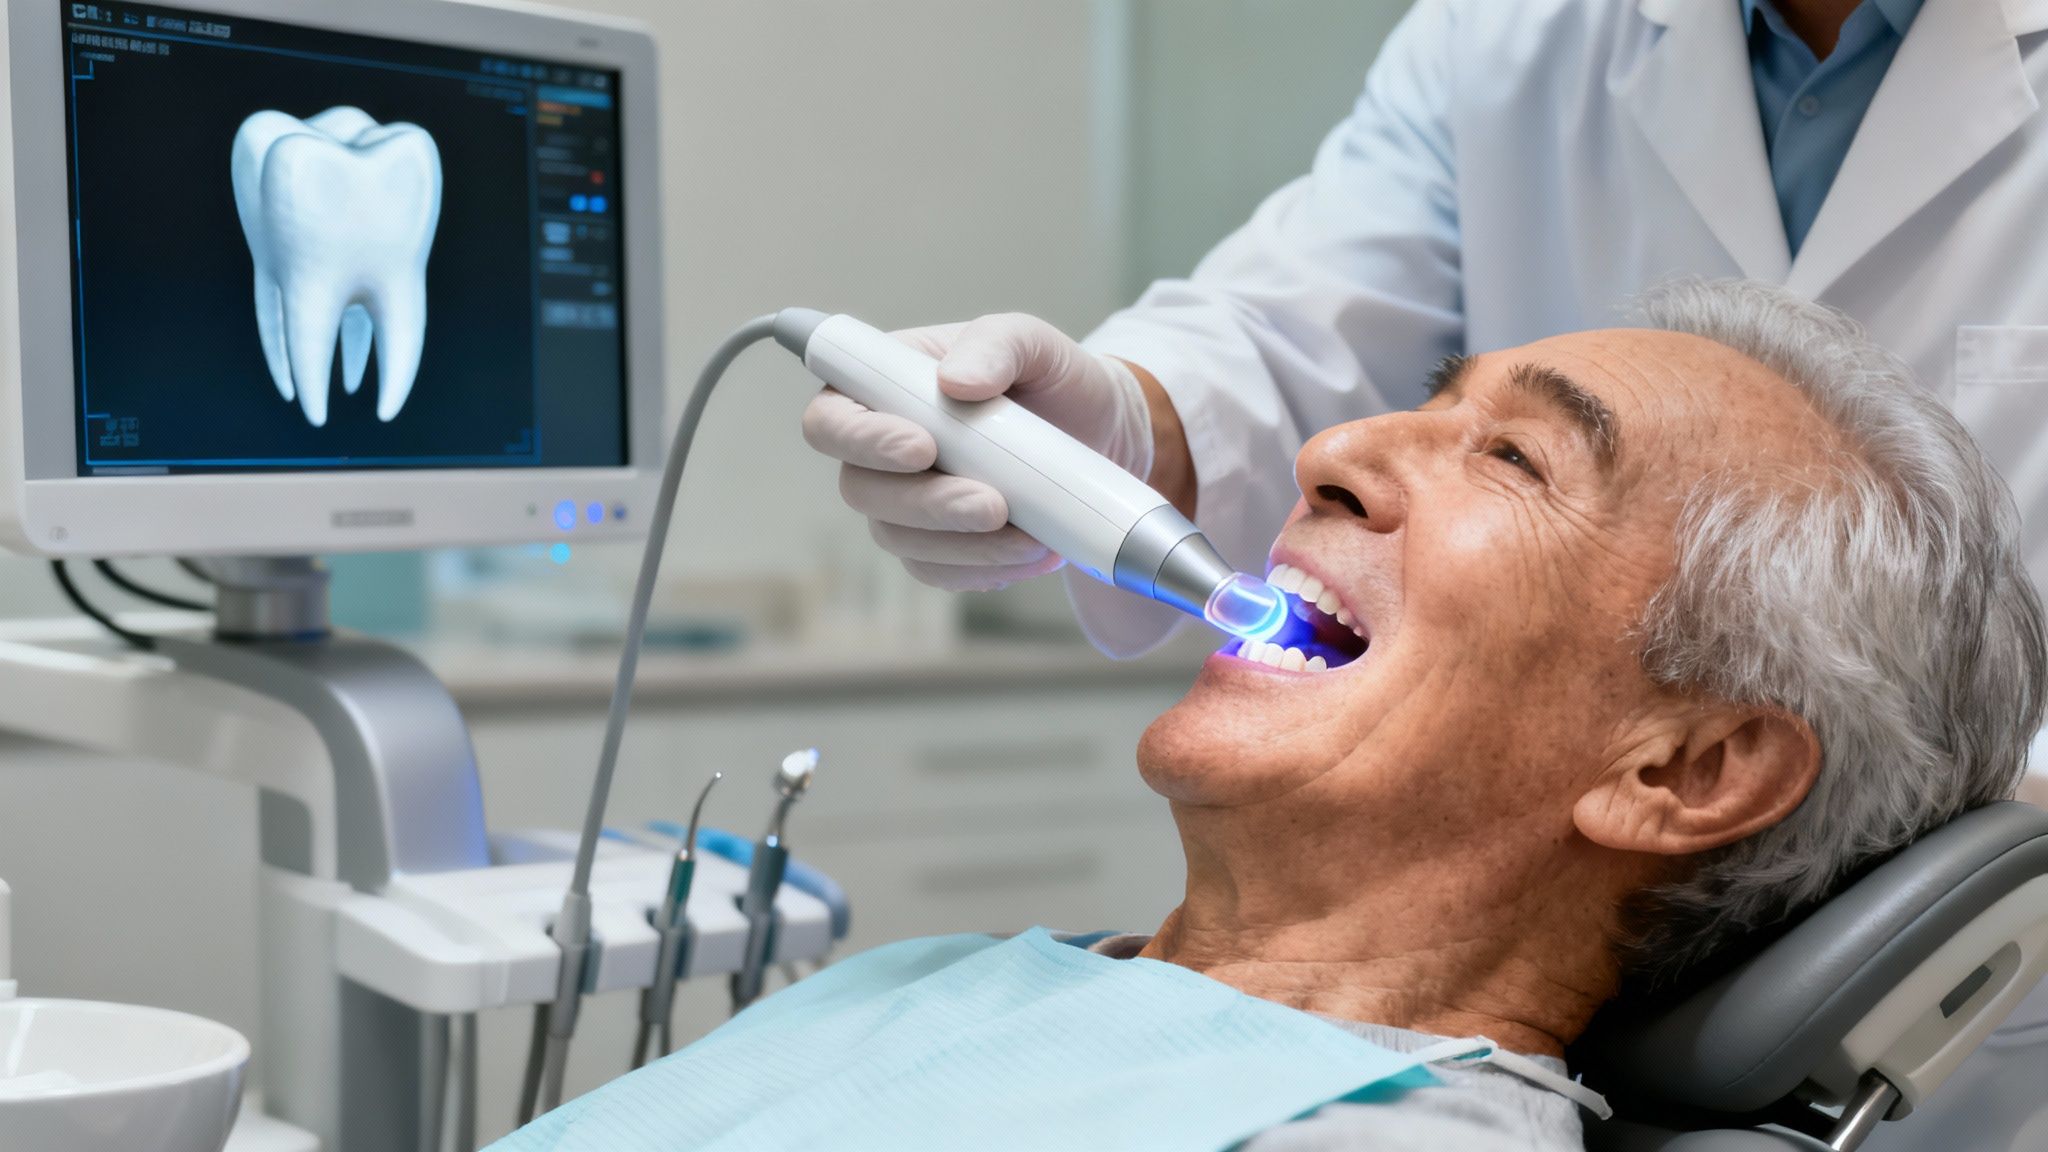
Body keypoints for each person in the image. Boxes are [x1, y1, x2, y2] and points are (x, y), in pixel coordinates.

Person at [507, 282, 2044, 1151]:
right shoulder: (963, 982)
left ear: (1688, 766)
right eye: (1431, 401)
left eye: (1514, 462)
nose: (1326, 447)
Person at [803, 0, 2048, 658]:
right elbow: (1292, 331)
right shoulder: (1503, 33)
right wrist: (1127, 428)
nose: (1341, 466)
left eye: (1510, 454)